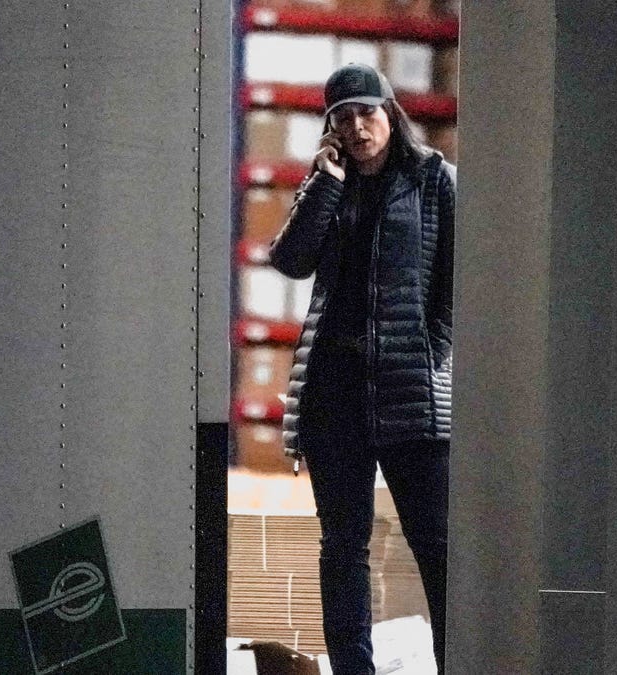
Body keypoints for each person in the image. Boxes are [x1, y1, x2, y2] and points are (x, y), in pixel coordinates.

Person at [268, 63, 455, 674]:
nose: (356, 126)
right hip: (334, 392)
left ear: (390, 112)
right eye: (342, 118)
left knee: (437, 546)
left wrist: (432, 349)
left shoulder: (433, 180)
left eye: (366, 112)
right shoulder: (330, 181)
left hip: (407, 388)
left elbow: (455, 279)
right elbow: (291, 260)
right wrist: (324, 181)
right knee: (343, 548)